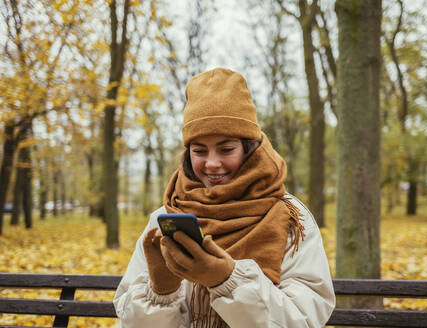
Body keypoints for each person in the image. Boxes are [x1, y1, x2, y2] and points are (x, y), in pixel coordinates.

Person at [113, 68, 335, 328]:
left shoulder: (290, 217)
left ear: (249, 148)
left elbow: (305, 320)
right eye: (199, 150)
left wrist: (227, 281)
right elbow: (128, 324)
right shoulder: (167, 216)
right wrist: (161, 293)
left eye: (226, 149)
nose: (212, 163)